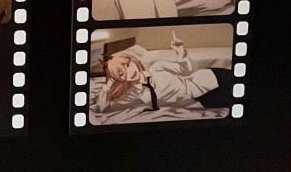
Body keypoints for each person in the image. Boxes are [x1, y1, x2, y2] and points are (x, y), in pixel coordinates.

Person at [96, 33, 233, 114]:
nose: (130, 72)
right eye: (121, 74)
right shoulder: (133, 94)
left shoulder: (158, 66)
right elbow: (102, 110)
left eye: (128, 65)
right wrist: (107, 86)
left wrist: (181, 53)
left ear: (133, 61)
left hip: (210, 81)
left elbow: (185, 70)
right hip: (201, 102)